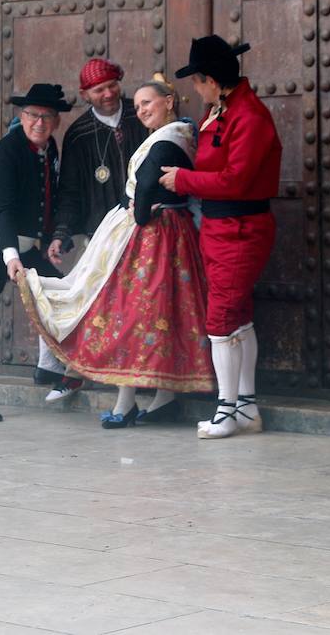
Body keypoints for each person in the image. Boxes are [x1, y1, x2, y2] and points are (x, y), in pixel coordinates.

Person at [21, 77, 214, 428]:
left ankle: (127, 402)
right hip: (171, 236)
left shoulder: (164, 142)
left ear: (169, 101)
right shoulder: (180, 136)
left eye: (147, 104)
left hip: (152, 238)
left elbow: (143, 201)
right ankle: (162, 397)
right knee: (160, 316)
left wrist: (137, 213)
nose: (141, 111)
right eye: (137, 106)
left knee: (131, 314)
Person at [160, 35, 281, 440]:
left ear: (211, 80)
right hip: (221, 228)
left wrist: (183, 180)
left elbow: (236, 180)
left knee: (220, 322)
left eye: (197, 81)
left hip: (240, 229)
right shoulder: (223, 108)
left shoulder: (250, 117)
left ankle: (227, 410)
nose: (195, 90)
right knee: (238, 318)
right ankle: (244, 406)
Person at [0, 83, 72, 422]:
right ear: (22, 117)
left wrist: (51, 240)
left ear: (56, 121)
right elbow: (5, 208)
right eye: (34, 115)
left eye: (48, 116)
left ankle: (49, 368)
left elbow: (45, 200)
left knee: (56, 292)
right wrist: (11, 257)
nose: (40, 123)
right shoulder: (6, 152)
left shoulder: (49, 149)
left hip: (20, 245)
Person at [42, 58, 149, 402]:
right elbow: (70, 191)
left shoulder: (141, 115)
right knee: (91, 302)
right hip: (98, 234)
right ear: (84, 94)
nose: (107, 94)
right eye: (98, 90)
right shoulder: (79, 134)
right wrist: (61, 233)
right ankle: (75, 373)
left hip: (143, 227)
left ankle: (149, 377)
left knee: (141, 303)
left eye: (111, 86)